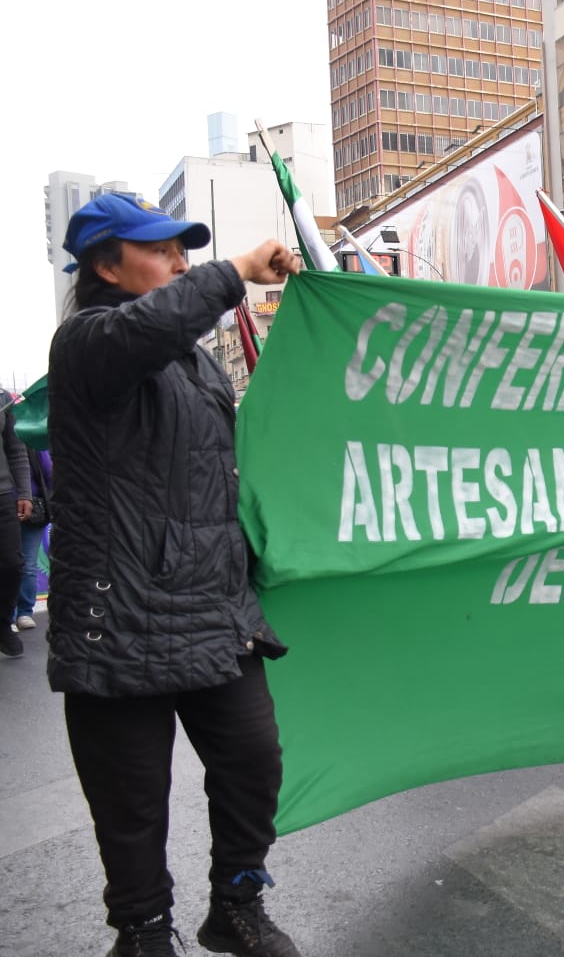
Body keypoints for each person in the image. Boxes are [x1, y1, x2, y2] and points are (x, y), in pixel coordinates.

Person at [49, 192, 303, 957]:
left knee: (254, 764)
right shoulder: (89, 343)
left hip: (212, 611)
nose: (179, 261)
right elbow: (150, 327)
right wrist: (234, 273)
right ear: (105, 265)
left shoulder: (193, 361)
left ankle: (236, 903)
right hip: (118, 619)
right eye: (160, 250)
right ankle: (144, 931)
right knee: (132, 805)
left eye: (183, 251)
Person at [0, 399, 32, 660]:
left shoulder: (2, 399)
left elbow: (16, 449)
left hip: (3, 495)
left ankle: (2, 622)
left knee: (12, 564)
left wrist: (24, 492)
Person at [12, 444, 51, 632]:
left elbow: (49, 470)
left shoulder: (30, 438)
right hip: (6, 505)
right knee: (12, 564)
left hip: (34, 508)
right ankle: (10, 615)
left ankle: (24, 612)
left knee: (27, 564)